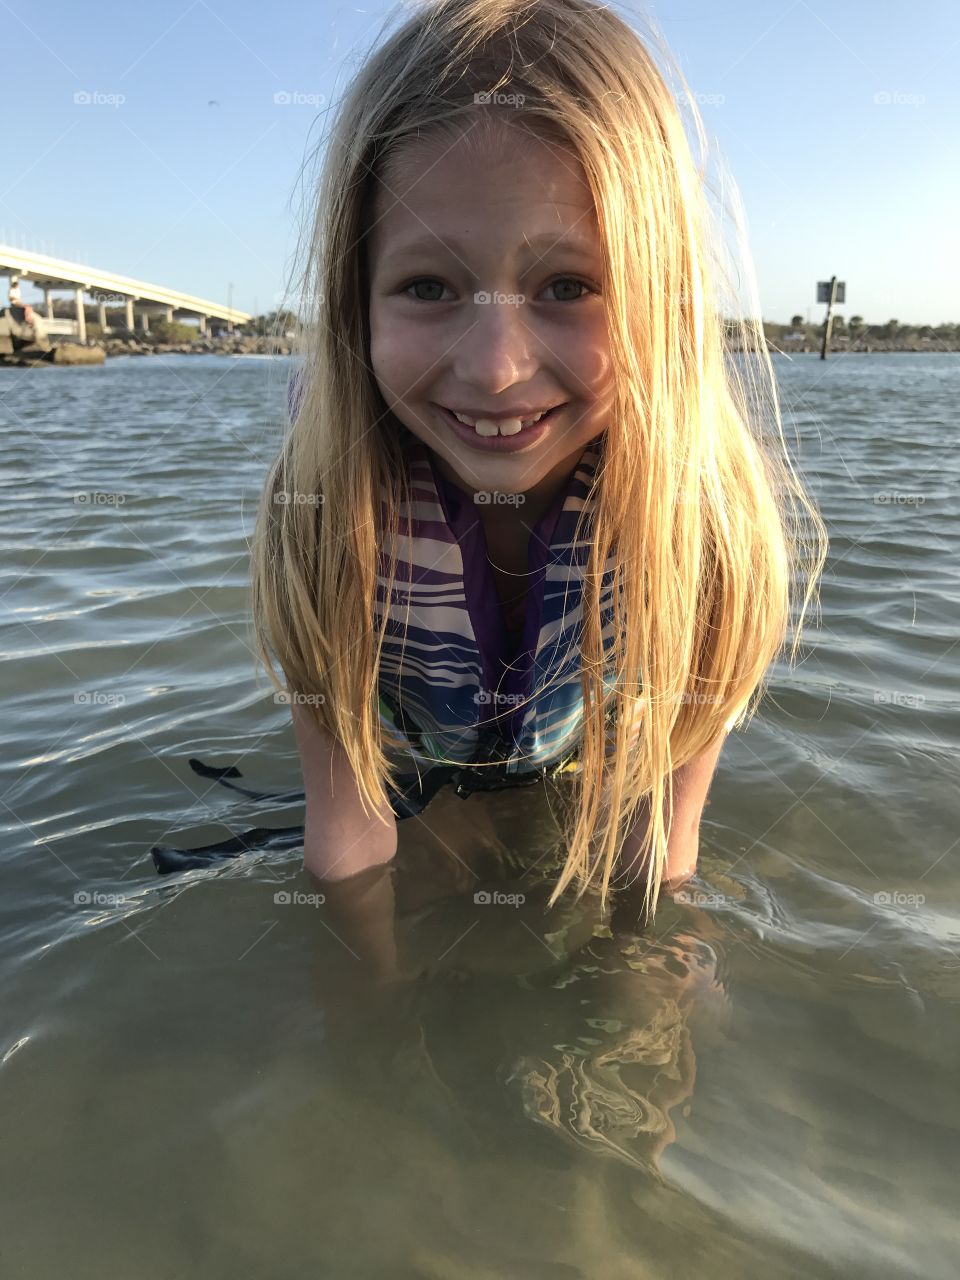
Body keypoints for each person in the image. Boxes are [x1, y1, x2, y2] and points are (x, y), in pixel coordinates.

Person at [250, 0, 826, 925]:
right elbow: (346, 841)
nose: (495, 368)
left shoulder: (707, 527)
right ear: (357, 303)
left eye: (568, 286)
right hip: (410, 762)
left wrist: (648, 1001)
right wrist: (362, 1042)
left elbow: (660, 853)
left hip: (570, 757)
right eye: (428, 287)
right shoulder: (325, 509)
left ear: (665, 299)